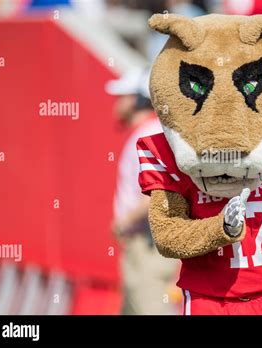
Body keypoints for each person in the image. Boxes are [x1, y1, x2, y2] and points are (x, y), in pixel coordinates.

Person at [107, 68, 178, 315]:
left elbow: (161, 190)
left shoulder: (149, 134)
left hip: (148, 240)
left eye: (124, 94)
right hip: (141, 240)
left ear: (139, 98)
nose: (118, 101)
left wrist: (125, 221)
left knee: (149, 308)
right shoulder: (148, 133)